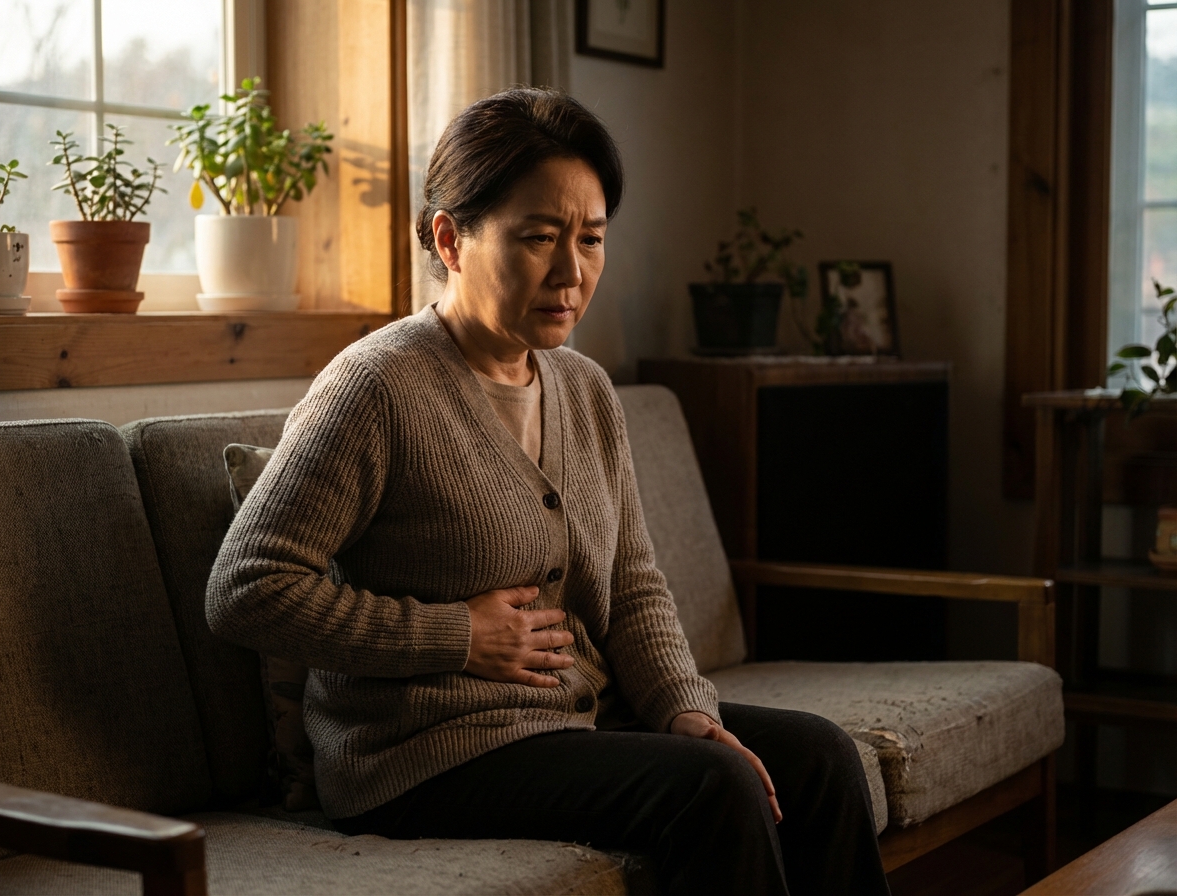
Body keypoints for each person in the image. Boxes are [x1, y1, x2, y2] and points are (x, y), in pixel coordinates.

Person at [206, 87, 889, 896]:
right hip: (426, 753)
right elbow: (244, 588)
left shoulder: (587, 389)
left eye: (591, 239)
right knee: (714, 789)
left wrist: (683, 707)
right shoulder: (376, 386)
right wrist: (453, 635)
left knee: (818, 757)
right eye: (537, 238)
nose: (572, 272)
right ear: (450, 240)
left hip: (572, 721)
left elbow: (633, 581)